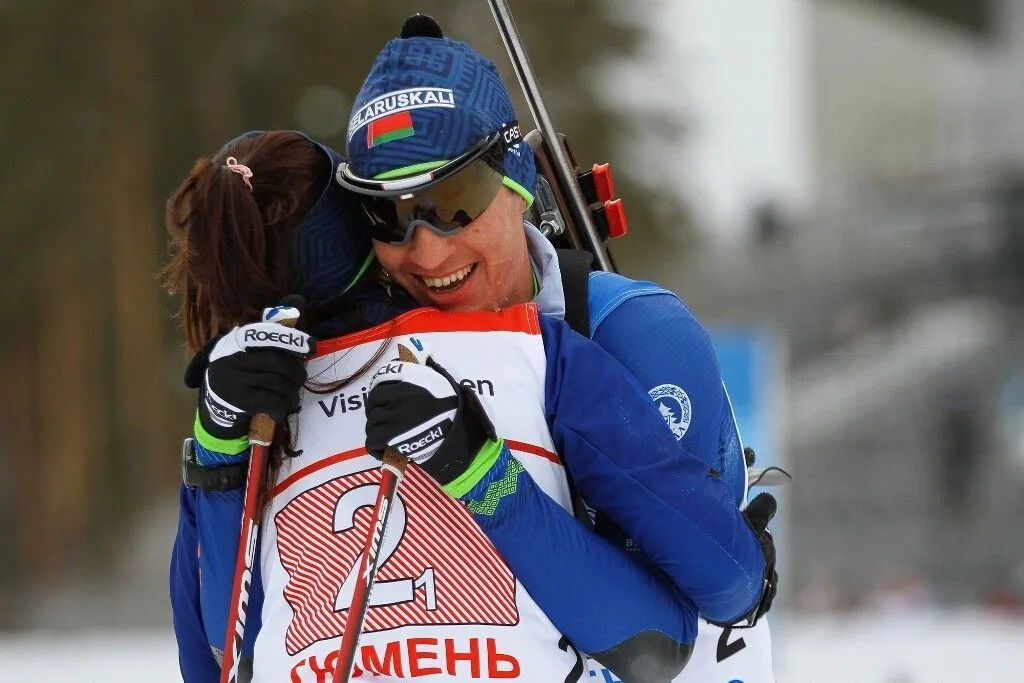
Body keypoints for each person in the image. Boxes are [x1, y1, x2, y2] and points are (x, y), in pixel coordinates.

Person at [165, 130, 770, 682]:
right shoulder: (532, 352)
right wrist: (485, 478)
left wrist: (220, 446)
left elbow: (218, 661)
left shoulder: (233, 422)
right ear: (358, 233)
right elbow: (667, 636)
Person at [335, 15, 779, 683]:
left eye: (452, 201)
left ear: (515, 179)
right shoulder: (371, 350)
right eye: (388, 215)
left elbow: (697, 612)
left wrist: (480, 471)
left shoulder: (636, 335)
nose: (425, 248)